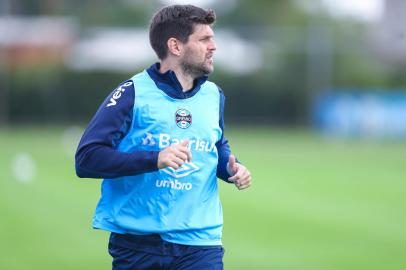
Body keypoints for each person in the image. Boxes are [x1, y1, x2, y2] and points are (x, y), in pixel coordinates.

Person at [75, 4, 252, 270]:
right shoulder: (132, 94)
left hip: (200, 243)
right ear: (175, 46)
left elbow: (215, 145)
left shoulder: (214, 96)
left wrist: (229, 167)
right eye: (204, 39)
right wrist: (155, 159)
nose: (213, 46)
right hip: (138, 244)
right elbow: (87, 159)